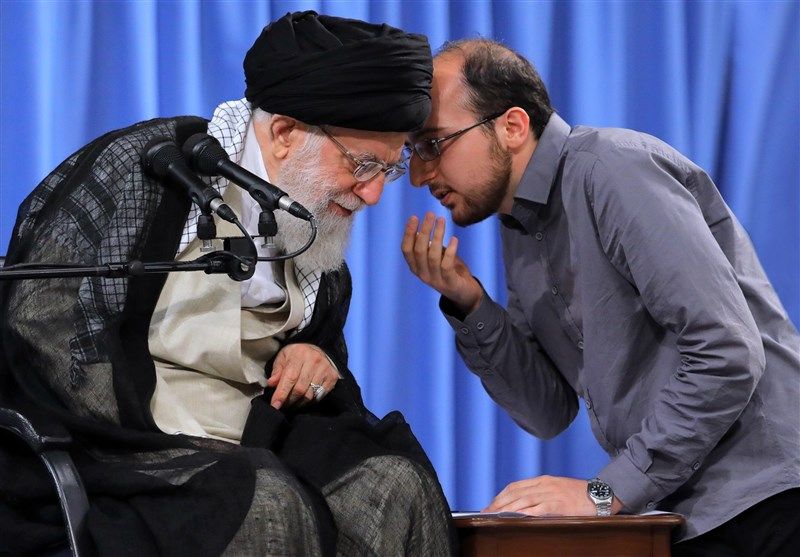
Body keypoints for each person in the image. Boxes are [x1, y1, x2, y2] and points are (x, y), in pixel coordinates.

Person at [0, 11, 455, 556]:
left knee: (392, 486)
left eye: (388, 169)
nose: (373, 194)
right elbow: (38, 317)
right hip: (124, 441)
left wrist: (315, 359)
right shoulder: (151, 168)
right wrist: (138, 433)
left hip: (258, 431)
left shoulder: (315, 218)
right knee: (263, 500)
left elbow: (320, 345)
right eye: (361, 164)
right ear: (285, 133)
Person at [401, 38, 799, 555]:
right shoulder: (518, 222)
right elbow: (548, 411)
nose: (418, 174)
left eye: (433, 144)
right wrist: (470, 304)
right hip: (679, 512)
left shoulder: (612, 170)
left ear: (513, 127)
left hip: (768, 500)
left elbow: (726, 353)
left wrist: (605, 493)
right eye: (412, 152)